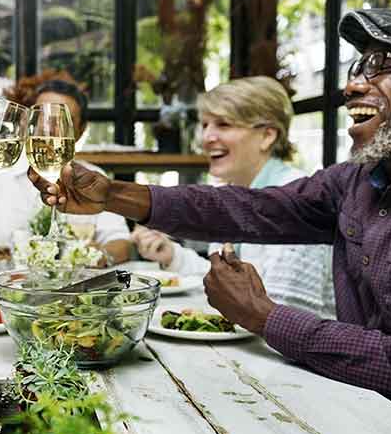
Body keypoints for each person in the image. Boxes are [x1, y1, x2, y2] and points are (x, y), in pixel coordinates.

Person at [28, 8, 391, 434]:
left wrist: (264, 316)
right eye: (358, 67)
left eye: (382, 67)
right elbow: (248, 209)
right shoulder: (356, 182)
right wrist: (111, 195)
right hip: (355, 415)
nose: (352, 85)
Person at [131, 76, 335, 317]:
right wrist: (172, 255)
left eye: (224, 125)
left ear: (267, 136)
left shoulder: (294, 199)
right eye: (205, 125)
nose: (206, 138)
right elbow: (227, 285)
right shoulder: (235, 193)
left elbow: (286, 314)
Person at [0, 71, 133, 264]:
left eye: (63, 121)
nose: (49, 131)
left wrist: (98, 256)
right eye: (42, 118)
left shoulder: (93, 179)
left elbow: (122, 244)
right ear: (26, 122)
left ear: (80, 130)